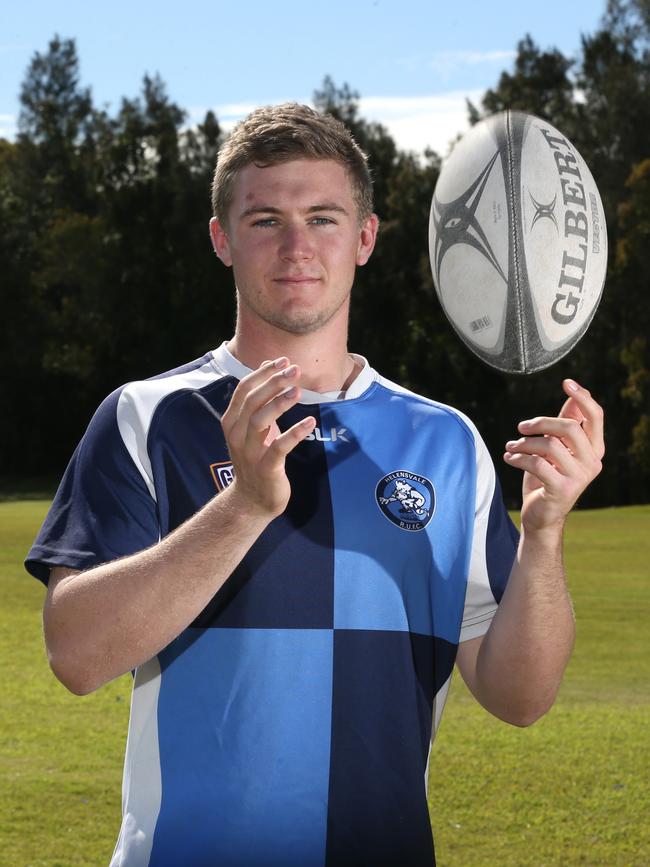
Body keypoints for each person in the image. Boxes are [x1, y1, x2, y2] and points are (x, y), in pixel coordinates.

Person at [26, 103, 604, 867]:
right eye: (265, 219)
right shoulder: (148, 416)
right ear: (221, 238)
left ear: (364, 239)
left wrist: (545, 534)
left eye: (323, 217)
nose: (297, 246)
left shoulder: (447, 441)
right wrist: (243, 509)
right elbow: (77, 653)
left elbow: (520, 697)